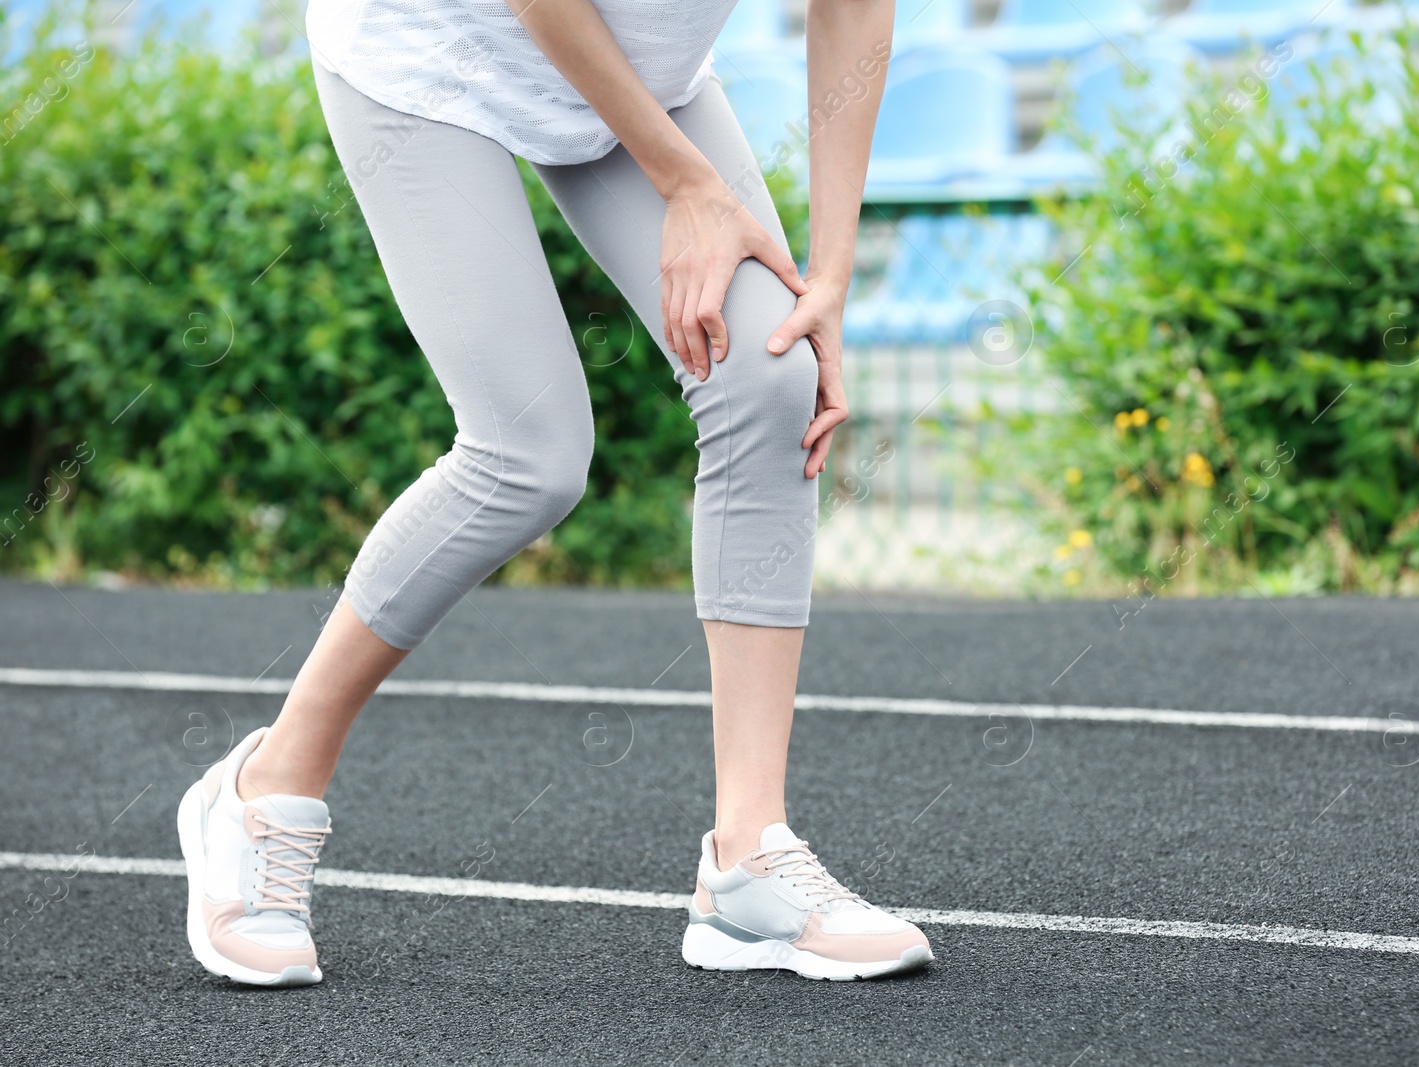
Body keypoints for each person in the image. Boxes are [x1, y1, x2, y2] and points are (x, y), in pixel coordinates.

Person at [175, 0, 934, 985]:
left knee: (771, 373)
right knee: (527, 454)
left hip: (635, 76)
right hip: (432, 52)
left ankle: (747, 864)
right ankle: (263, 786)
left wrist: (827, 273)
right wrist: (685, 181)